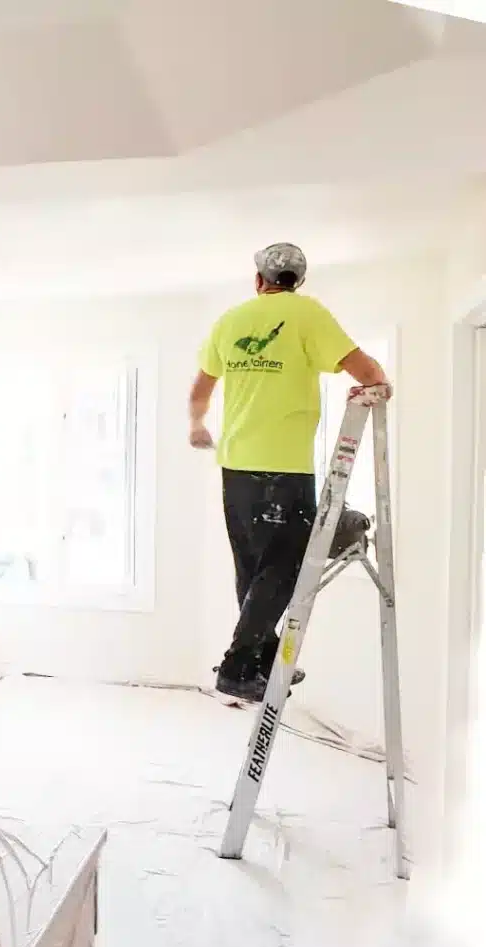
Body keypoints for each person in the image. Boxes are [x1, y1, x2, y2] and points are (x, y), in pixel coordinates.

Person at [189, 243, 391, 703]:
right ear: (297, 281)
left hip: (236, 466)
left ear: (258, 280)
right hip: (283, 465)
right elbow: (364, 367)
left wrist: (197, 425)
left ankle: (262, 656)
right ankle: (238, 666)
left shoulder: (231, 320)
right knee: (287, 562)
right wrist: (378, 382)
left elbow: (201, 386)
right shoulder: (307, 314)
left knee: (252, 567)